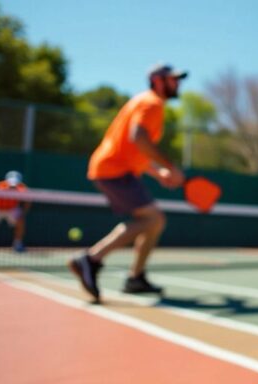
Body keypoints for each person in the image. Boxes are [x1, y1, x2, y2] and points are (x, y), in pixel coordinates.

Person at [68, 63, 187, 303]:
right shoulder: (151, 103)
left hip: (117, 169)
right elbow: (138, 138)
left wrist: (159, 173)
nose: (177, 83)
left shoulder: (147, 102)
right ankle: (91, 259)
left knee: (154, 222)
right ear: (157, 80)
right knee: (153, 219)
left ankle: (135, 278)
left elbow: (137, 150)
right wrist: (171, 167)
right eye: (173, 79)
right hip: (114, 170)